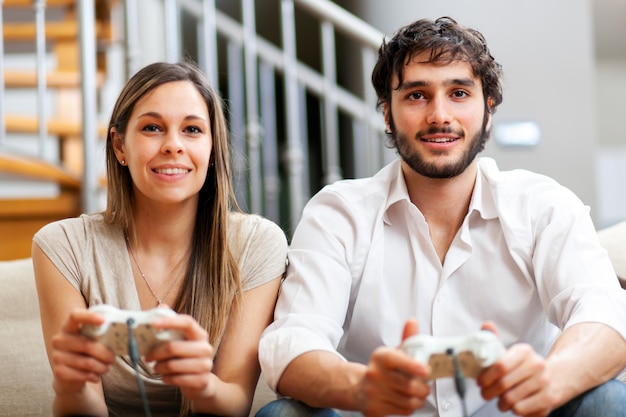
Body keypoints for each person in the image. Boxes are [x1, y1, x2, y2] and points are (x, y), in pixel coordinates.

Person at [256, 16, 626, 417]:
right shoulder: (339, 212)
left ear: (487, 109)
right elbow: (294, 339)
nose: (439, 115)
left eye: (459, 93)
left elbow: (605, 315)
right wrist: (360, 386)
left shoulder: (544, 205)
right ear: (386, 113)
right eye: (417, 95)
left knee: (607, 401)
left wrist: (550, 379)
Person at [32, 61, 288, 417]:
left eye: (192, 130)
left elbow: (234, 404)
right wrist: (70, 383)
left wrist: (202, 385)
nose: (173, 146)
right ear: (120, 146)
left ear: (213, 150)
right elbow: (83, 408)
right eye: (152, 127)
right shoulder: (64, 246)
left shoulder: (256, 244)